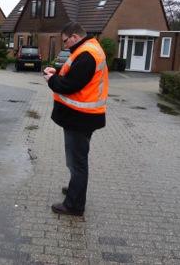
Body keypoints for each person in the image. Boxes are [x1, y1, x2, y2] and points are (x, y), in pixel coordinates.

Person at [43, 21, 108, 217]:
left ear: (74, 37)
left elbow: (71, 85)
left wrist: (51, 80)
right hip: (83, 118)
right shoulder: (89, 49)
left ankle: (74, 205)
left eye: (65, 41)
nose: (65, 45)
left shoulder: (87, 54)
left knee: (77, 162)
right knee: (76, 160)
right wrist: (57, 73)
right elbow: (76, 77)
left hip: (80, 119)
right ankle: (75, 189)